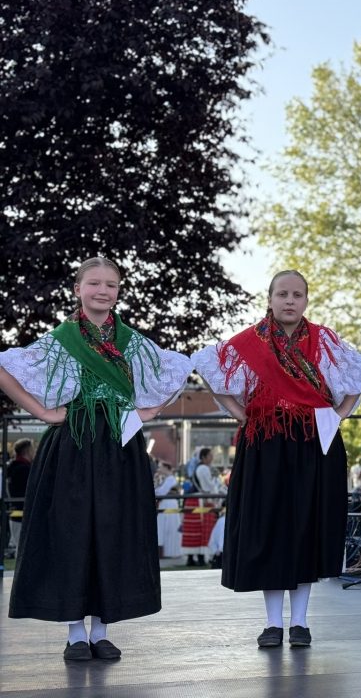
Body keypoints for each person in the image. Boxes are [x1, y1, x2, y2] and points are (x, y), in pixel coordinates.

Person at [0, 256, 192, 661]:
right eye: (94, 283)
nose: (103, 290)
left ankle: (101, 631)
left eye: (111, 284)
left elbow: (177, 372)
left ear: (118, 291)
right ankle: (75, 633)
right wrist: (43, 413)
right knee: (71, 533)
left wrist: (149, 411)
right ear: (78, 289)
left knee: (113, 532)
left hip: (119, 446)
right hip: (71, 444)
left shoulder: (133, 342)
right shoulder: (59, 340)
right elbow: (4, 370)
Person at [192, 269, 361, 649]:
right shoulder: (248, 343)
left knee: (307, 527)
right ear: (270, 299)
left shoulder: (324, 340)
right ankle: (272, 623)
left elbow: (359, 378)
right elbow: (210, 371)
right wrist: (242, 415)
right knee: (270, 528)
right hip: (265, 443)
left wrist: (338, 415)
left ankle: (300, 622)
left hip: (314, 442)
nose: (290, 300)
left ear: (306, 300)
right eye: (282, 294)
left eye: (297, 294)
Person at [181, 447, 223, 566]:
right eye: (210, 455)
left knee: (194, 529)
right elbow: (208, 487)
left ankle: (192, 558)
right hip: (200, 500)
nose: (212, 457)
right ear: (203, 457)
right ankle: (200, 557)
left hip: (193, 500)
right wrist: (216, 496)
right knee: (202, 529)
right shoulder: (203, 468)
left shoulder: (200, 468)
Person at [5, 438, 34, 558]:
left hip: (15, 512)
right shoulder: (25, 469)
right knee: (23, 549)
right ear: (28, 451)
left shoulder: (11, 467)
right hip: (23, 512)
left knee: (19, 546)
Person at [154, 460, 183, 559]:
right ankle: (165, 551)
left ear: (166, 468)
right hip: (166, 503)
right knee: (164, 527)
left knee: (170, 527)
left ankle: (170, 552)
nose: (159, 469)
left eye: (160, 467)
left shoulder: (170, 479)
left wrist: (155, 490)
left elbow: (161, 492)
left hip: (169, 503)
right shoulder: (166, 479)